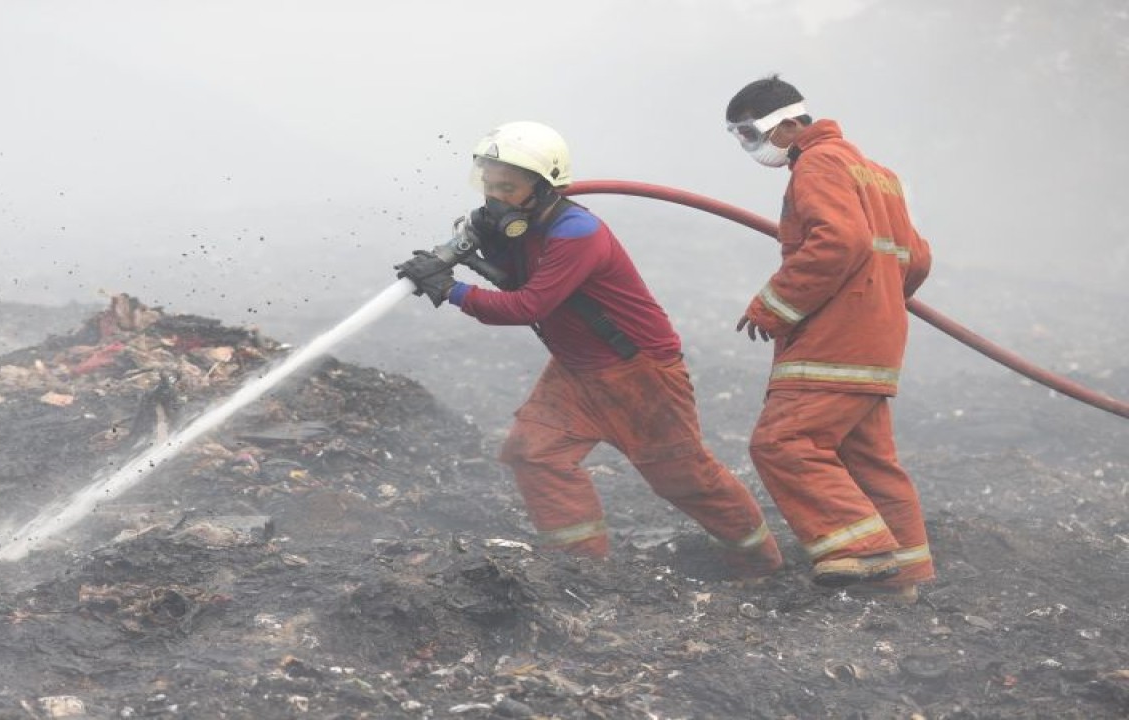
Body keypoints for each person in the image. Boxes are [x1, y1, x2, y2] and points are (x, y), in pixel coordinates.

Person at [396, 121, 782, 578]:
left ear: (542, 189)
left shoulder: (578, 233)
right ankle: (581, 568)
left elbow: (528, 305)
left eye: (508, 187)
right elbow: (520, 278)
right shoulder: (526, 229)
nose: (494, 197)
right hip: (576, 369)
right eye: (489, 184)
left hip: (636, 371)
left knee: (684, 478)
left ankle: (760, 563)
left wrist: (451, 290)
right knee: (533, 452)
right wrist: (481, 252)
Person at [724, 76, 934, 600]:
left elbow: (840, 240)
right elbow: (918, 258)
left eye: (752, 133)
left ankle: (859, 552)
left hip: (834, 344)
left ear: (790, 122)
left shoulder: (818, 164)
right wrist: (880, 299)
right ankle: (905, 576)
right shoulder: (878, 174)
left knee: (783, 443)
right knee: (868, 461)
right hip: (876, 344)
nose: (751, 147)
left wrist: (773, 305)